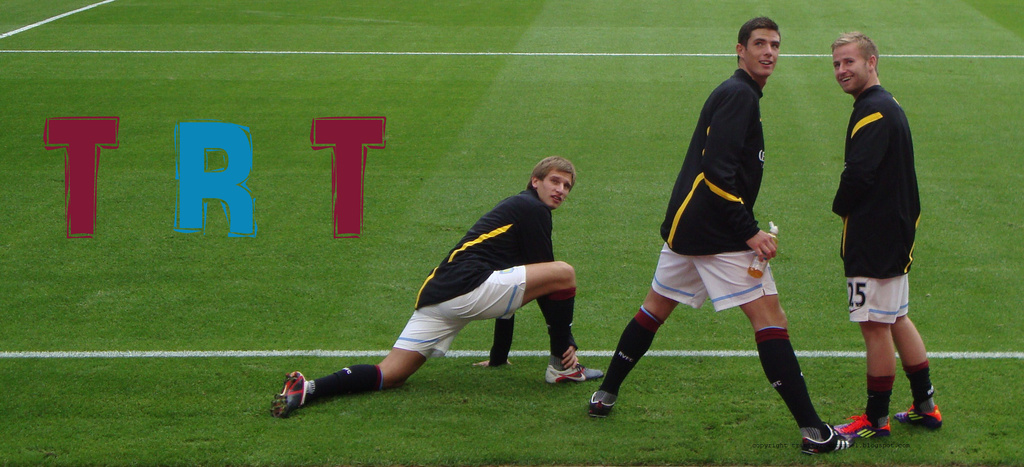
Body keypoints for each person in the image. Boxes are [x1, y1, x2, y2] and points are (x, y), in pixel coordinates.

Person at [585, 17, 851, 455]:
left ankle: (604, 396)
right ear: (740, 50)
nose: (769, 52)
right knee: (771, 321)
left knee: (654, 308)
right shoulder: (738, 96)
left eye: (776, 45)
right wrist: (750, 232)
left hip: (687, 229)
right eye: (760, 44)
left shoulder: (740, 94)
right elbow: (716, 171)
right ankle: (814, 432)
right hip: (718, 232)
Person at [272, 156, 602, 418]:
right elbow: (548, 280)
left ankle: (309, 389)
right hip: (469, 289)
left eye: (567, 186)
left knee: (391, 374)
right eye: (555, 181)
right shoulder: (534, 209)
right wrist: (563, 342)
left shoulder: (517, 208)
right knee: (564, 272)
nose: (561, 189)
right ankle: (561, 368)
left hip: (438, 296)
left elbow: (515, 279)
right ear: (535, 181)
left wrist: (499, 357)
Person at [829, 32, 941, 439]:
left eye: (849, 62)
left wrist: (839, 205)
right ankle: (926, 407)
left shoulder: (873, 112)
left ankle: (875, 419)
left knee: (875, 325)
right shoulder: (885, 103)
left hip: (875, 238)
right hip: (894, 232)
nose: (842, 70)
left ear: (871, 61)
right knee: (896, 317)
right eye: (837, 64)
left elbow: (859, 174)